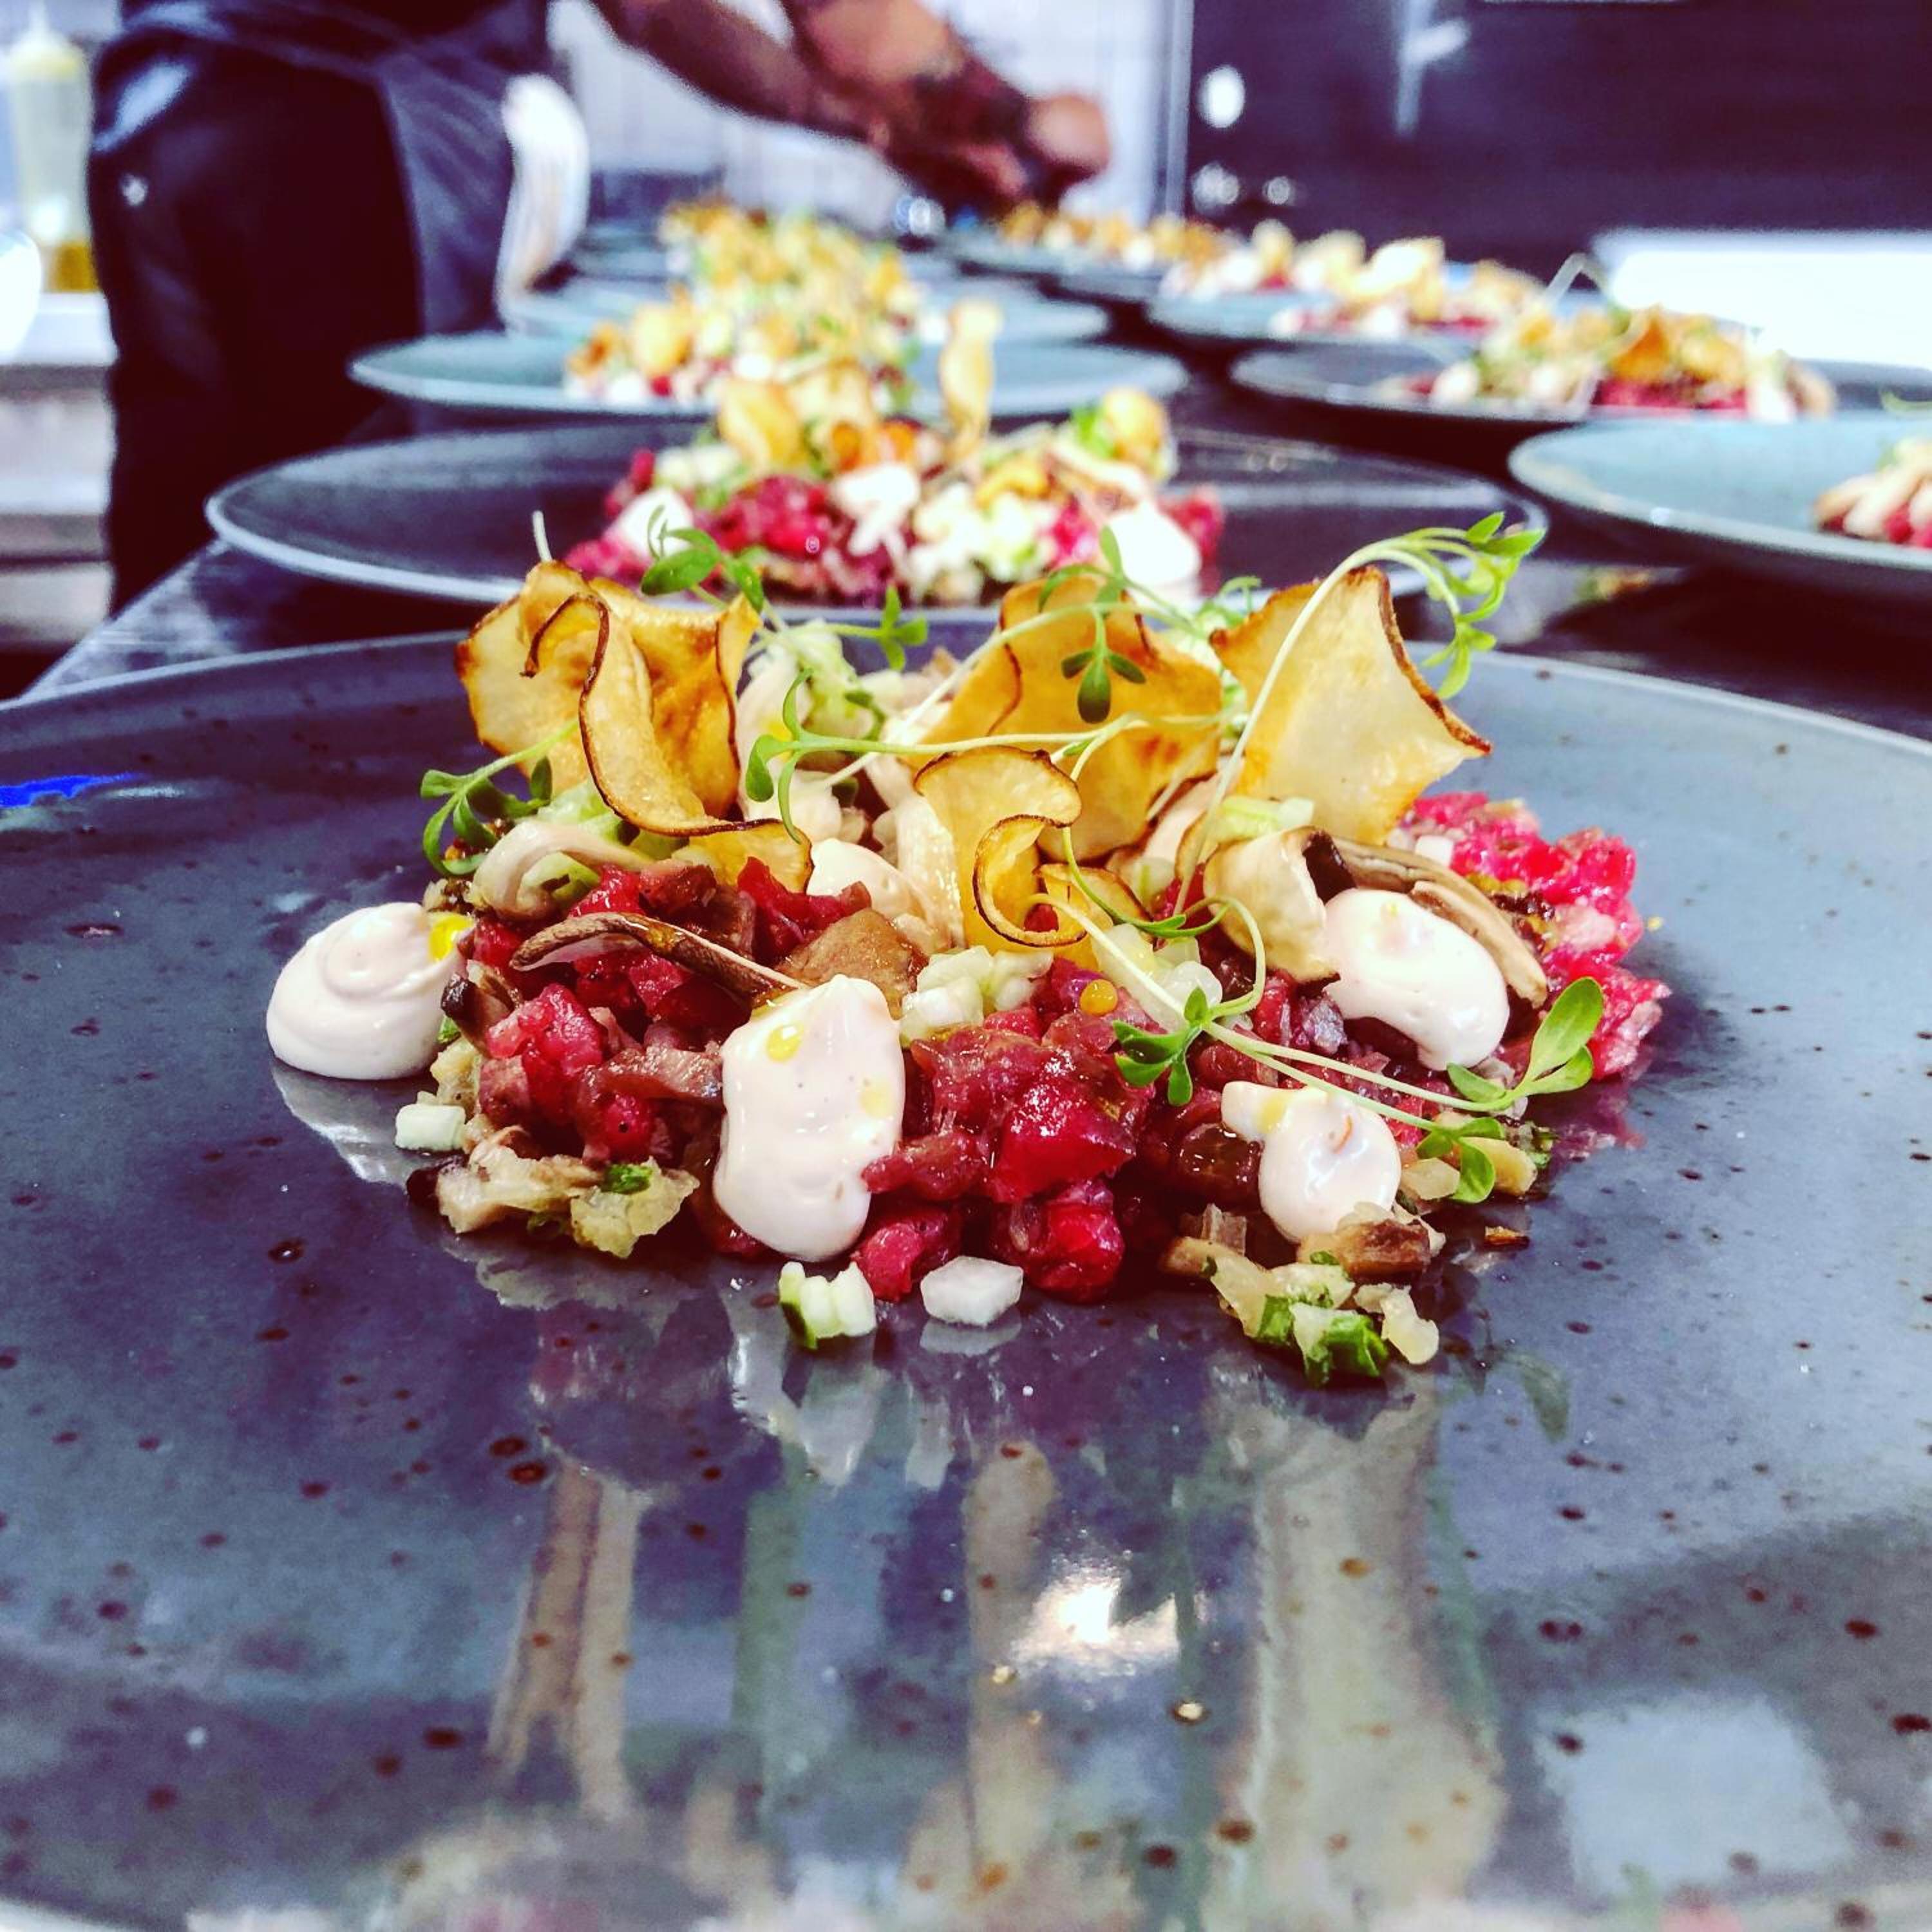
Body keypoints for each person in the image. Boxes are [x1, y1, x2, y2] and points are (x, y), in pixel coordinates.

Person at [87, 0, 1110, 606]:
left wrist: (849, 117)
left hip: (159, 110)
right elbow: (851, 27)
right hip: (347, 133)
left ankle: (99, 838)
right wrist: (1012, 118)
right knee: (345, 548)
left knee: (185, 538)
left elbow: (653, 8)